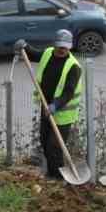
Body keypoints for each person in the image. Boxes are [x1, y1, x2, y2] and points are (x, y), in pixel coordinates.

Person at [36, 30, 83, 182]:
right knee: (44, 141)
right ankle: (51, 174)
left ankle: (58, 178)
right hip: (45, 107)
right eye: (59, 46)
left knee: (54, 146)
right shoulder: (48, 53)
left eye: (65, 47)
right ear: (54, 44)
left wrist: (55, 105)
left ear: (69, 47)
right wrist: (24, 47)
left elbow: (69, 92)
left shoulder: (74, 67)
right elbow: (35, 55)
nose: (62, 50)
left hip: (62, 113)